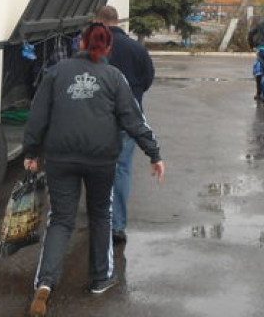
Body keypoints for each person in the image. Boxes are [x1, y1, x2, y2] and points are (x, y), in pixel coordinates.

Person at [22, 23, 165, 317]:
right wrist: (154, 153)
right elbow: (133, 118)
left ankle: (45, 284)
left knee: (61, 219)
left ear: (80, 43)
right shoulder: (114, 77)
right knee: (101, 214)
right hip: (101, 159)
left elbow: (38, 115)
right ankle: (100, 278)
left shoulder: (56, 73)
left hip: (60, 157)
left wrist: (31, 152)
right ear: (108, 48)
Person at [94, 6, 155, 246]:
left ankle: (99, 220)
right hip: (129, 117)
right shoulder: (137, 48)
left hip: (99, 117)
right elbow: (148, 77)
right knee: (122, 168)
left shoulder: (94, 48)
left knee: (96, 168)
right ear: (117, 21)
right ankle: (117, 226)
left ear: (100, 22)